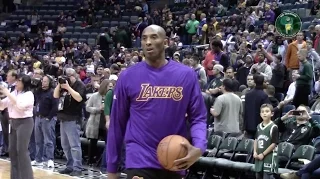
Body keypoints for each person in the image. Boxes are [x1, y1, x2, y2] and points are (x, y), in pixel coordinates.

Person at [107, 25, 207, 179]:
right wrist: (112, 169)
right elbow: (117, 124)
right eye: (144, 38)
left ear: (166, 42)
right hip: (139, 160)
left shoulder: (186, 75)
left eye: (154, 37)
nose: (148, 42)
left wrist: (199, 147)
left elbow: (198, 117)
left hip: (175, 158)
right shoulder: (127, 76)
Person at [0, 74, 35, 179]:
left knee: (22, 151)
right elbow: (2, 106)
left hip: (25, 122)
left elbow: (20, 106)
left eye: (19, 81)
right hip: (13, 122)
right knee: (13, 151)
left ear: (25, 83)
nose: (16, 83)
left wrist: (7, 94)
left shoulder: (29, 94)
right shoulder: (14, 93)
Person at [53, 68, 86, 176]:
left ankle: (77, 168)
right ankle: (69, 166)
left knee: (74, 145)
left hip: (73, 118)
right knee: (65, 145)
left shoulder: (79, 85)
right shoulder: (63, 85)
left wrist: (68, 88)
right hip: (63, 118)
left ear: (75, 75)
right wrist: (59, 84)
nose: (68, 77)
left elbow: (79, 98)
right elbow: (55, 96)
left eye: (69, 75)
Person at [32, 75, 58, 168]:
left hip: (48, 118)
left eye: (46, 81)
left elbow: (55, 107)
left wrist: (49, 117)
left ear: (50, 82)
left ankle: (50, 159)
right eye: (43, 81)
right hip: (38, 117)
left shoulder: (53, 92)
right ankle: (38, 159)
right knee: (38, 140)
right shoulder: (39, 91)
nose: (43, 83)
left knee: (48, 140)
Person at [254, 104, 279, 179]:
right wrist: (255, 152)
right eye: (262, 112)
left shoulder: (274, 127)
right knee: (258, 176)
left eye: (267, 111)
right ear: (260, 114)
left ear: (272, 114)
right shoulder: (258, 126)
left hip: (269, 156)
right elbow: (256, 140)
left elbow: (274, 144)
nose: (264, 113)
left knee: (267, 176)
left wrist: (263, 154)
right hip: (259, 156)